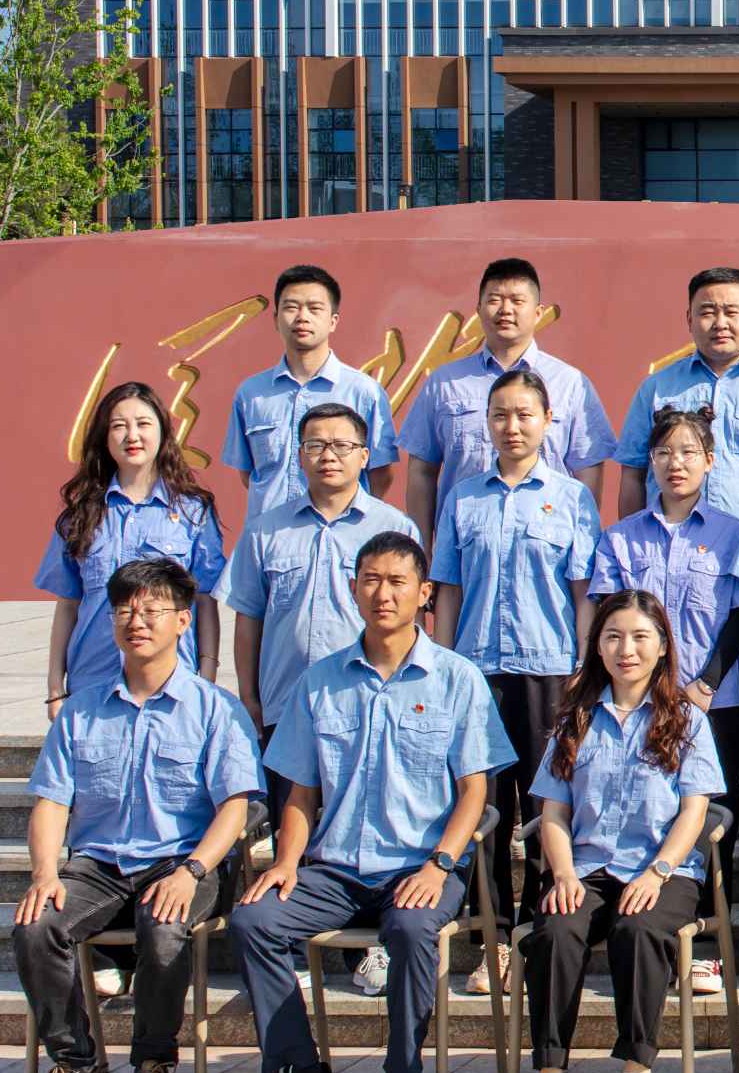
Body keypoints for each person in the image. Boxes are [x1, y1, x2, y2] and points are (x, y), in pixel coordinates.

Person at [229, 531, 514, 1073]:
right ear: (353, 589)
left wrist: (440, 863)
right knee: (254, 919)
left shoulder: (457, 678)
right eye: (371, 580)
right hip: (334, 869)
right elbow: (300, 792)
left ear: (424, 593)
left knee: (411, 928)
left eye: (397, 581)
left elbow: (475, 792)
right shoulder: (320, 682)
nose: (383, 594)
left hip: (420, 865)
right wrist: (286, 861)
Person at [11, 557, 260, 1073]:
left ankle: (154, 1068)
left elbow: (236, 806)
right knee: (35, 925)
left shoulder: (214, 709)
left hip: (182, 862)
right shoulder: (82, 710)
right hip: (98, 866)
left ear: (182, 622)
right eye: (125, 610)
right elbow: (51, 802)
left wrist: (192, 871)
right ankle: (77, 1071)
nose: (136, 621)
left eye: (151, 610)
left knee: (164, 926)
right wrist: (45, 873)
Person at [515, 591, 725, 1073]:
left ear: (663, 646)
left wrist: (658, 871)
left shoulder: (686, 720)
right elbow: (554, 812)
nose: (626, 649)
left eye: (639, 637)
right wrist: (563, 874)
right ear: (597, 647)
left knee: (638, 930)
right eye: (613, 637)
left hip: (663, 871)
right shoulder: (575, 719)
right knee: (554, 931)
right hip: (586, 868)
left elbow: (695, 810)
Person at [427, 365, 601, 961]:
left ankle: (543, 929)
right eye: (500, 415)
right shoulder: (462, 498)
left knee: (548, 800)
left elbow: (583, 592)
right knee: (485, 806)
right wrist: (444, 668)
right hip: (477, 672)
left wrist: (583, 668)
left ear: (548, 421)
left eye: (525, 414)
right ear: (487, 422)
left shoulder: (572, 498)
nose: (512, 426)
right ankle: (493, 935)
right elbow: (448, 589)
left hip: (549, 669)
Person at [589, 406, 739, 993]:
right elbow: (608, 619)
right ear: (650, 462)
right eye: (663, 453)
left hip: (715, 702)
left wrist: (703, 686)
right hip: (637, 706)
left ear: (709, 461)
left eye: (687, 452)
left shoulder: (734, 533)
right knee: (646, 812)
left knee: (712, 821)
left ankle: (706, 947)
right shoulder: (620, 537)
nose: (675, 463)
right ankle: (644, 929)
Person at [221, 403, 421, 795]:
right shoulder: (265, 532)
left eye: (342, 446)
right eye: (315, 446)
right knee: (289, 821)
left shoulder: (395, 528)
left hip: (368, 704)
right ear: (300, 456)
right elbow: (249, 619)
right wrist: (249, 697)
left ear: (364, 456)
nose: (329, 456)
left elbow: (410, 621)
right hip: (285, 705)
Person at [403, 257, 616, 553]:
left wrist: (581, 552)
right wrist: (421, 554)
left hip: (546, 554)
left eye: (517, 301)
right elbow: (422, 473)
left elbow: (587, 474)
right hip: (464, 550)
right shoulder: (445, 383)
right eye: (494, 300)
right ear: (478, 310)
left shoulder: (570, 384)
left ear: (538, 312)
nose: (505, 310)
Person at [39, 382, 226, 715]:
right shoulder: (82, 514)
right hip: (93, 678)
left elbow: (204, 600)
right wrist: (55, 688)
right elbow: (68, 605)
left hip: (172, 683)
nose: (132, 436)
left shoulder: (192, 511)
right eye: (119, 426)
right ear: (105, 436)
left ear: (162, 432)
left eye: (143, 424)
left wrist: (207, 675)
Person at [614, 266, 739, 523]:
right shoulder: (657, 389)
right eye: (708, 312)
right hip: (669, 540)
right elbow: (633, 475)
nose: (720, 323)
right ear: (689, 319)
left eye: (731, 312)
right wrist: (631, 537)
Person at [218, 264, 398, 512]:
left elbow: (381, 474)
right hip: (269, 531)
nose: (302, 317)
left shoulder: (364, 392)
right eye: (291, 307)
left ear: (333, 321)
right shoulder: (251, 394)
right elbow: (248, 474)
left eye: (314, 309)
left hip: (339, 531)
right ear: (275, 319)